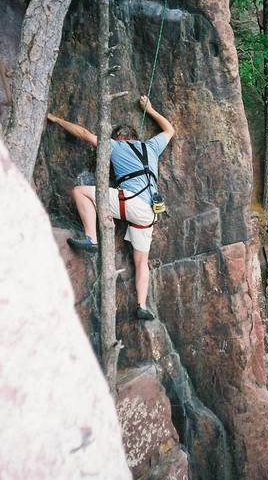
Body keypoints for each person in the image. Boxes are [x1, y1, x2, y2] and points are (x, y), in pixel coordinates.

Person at [47, 95, 174, 321]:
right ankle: (142, 305)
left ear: (120, 137)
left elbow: (85, 135)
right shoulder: (152, 146)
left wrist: (56, 119)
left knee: (80, 191)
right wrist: (150, 109)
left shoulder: (116, 145)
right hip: (150, 214)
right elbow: (169, 130)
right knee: (141, 261)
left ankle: (91, 237)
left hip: (130, 203)